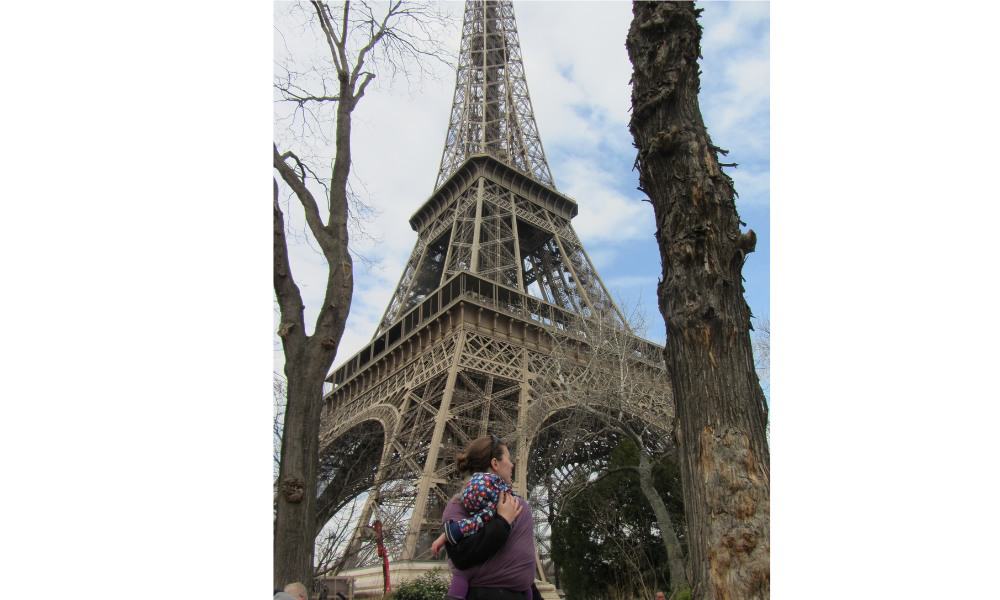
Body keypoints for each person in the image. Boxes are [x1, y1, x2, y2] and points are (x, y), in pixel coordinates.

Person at [438, 434, 539, 600]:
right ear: (495, 463)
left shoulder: (516, 503)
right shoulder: (460, 504)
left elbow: (517, 561)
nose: (512, 464)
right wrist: (502, 522)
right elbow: (461, 557)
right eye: (508, 458)